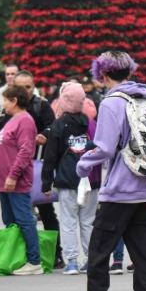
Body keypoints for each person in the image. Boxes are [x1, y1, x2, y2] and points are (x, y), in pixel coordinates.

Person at [70, 51, 146, 291]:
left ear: (104, 74)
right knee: (143, 255)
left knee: (98, 255)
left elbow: (106, 147)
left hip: (121, 191)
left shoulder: (112, 103)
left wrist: (82, 166)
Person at [41, 81, 99, 276]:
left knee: (68, 221)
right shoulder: (91, 123)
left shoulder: (58, 125)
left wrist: (46, 182)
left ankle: (72, 261)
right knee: (88, 221)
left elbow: (50, 157)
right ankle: (92, 259)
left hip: (67, 180)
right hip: (91, 179)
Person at [0, 84, 44, 276]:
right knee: (10, 220)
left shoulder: (25, 121)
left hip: (15, 180)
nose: (3, 103)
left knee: (24, 220)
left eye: (5, 100)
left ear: (14, 101)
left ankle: (34, 261)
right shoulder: (12, 120)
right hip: (3, 181)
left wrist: (13, 175)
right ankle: (17, 256)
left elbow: (25, 151)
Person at [13, 70, 61, 267]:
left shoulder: (41, 105)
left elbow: (53, 127)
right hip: (15, 167)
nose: (25, 91)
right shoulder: (10, 107)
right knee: (17, 214)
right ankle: (20, 254)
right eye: (20, 87)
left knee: (46, 210)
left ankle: (56, 253)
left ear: (33, 87)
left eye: (28, 87)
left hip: (37, 166)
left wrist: (44, 135)